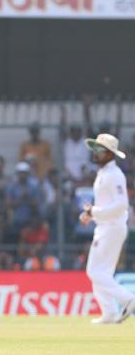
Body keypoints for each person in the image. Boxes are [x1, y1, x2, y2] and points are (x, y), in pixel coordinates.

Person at [79, 133, 135, 324]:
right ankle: (110, 313)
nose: (96, 153)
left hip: (112, 228)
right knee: (102, 272)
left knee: (94, 272)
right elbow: (106, 203)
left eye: (100, 150)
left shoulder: (114, 175)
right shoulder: (103, 173)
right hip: (106, 227)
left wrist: (94, 211)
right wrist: (91, 214)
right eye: (95, 149)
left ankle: (128, 299)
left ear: (110, 154)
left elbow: (121, 204)